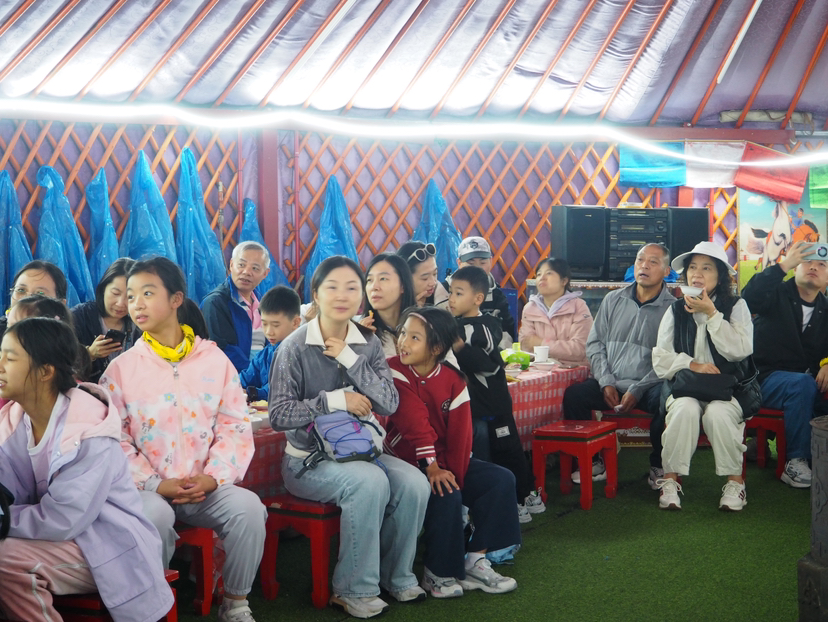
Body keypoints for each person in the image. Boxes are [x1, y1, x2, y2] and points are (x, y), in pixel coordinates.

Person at [100, 257, 266, 622]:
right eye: (131, 295)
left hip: (203, 486)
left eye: (147, 293)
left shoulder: (214, 361)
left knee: (250, 509)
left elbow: (234, 425)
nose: (136, 304)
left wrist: (213, 477)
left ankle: (235, 602)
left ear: (176, 299)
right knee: (154, 515)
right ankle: (151, 607)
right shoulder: (121, 369)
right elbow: (114, 440)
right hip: (147, 490)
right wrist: (155, 484)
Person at [269, 256, 430, 619]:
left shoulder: (367, 343)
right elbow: (279, 415)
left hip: (362, 451)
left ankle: (396, 576)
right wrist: (332, 401)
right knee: (369, 482)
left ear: (361, 296)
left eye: (352, 287)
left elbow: (388, 403)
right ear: (315, 294)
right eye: (332, 287)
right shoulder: (294, 347)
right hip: (308, 462)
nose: (342, 295)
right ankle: (353, 589)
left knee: (414, 483)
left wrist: (351, 360)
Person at [0, 317, 173, 622]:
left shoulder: (88, 429)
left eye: (10, 358)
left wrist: (4, 520)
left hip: (107, 545)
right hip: (52, 539)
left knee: (4, 559)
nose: (0, 365)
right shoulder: (14, 420)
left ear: (45, 371)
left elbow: (63, 519)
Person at [385, 306, 521, 598]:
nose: (403, 342)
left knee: (500, 480)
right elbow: (414, 420)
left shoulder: (454, 379)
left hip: (443, 461)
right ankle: (437, 572)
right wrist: (433, 467)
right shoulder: (393, 369)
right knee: (447, 492)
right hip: (405, 462)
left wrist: (454, 473)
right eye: (403, 333)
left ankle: (474, 559)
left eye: (414, 338)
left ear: (436, 348)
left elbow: (462, 435)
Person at [562, 243, 675, 486]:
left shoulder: (673, 309)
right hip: (611, 383)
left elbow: (670, 359)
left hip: (648, 386)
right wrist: (606, 382)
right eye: (640, 260)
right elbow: (595, 344)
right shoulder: (613, 299)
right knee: (574, 396)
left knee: (667, 400)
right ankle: (592, 460)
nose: (644, 266)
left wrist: (638, 389)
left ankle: (659, 465)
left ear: (667, 271)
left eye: (653, 262)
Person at [652, 242, 754, 511]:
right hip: (685, 387)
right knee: (684, 409)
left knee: (718, 414)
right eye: (692, 268)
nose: (697, 274)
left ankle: (735, 482)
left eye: (706, 268)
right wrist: (692, 364)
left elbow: (740, 350)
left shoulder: (736, 306)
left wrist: (712, 314)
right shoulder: (675, 310)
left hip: (728, 388)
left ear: (719, 277)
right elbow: (660, 359)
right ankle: (670, 480)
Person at [448, 266, 543, 523]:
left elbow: (490, 364)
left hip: (494, 405)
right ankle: (502, 499)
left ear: (478, 298)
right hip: (474, 406)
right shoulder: (456, 325)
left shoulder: (486, 325)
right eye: (451, 292)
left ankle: (523, 497)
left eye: (459, 293)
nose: (452, 299)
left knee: (508, 450)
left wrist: (460, 347)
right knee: (486, 453)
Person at [742, 240, 828, 488]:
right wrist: (783, 265)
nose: (814, 267)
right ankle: (795, 460)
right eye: (807, 261)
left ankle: (817, 456)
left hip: (806, 381)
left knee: (805, 385)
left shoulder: (825, 308)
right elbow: (748, 298)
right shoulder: (775, 293)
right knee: (801, 384)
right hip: (763, 378)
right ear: (795, 267)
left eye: (821, 264)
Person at [201, 241, 271, 372]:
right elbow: (223, 350)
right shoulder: (216, 303)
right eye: (241, 265)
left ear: (265, 274)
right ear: (231, 265)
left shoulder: (264, 305)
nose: (247, 272)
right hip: (233, 377)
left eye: (255, 268)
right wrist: (254, 376)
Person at [440, 237, 517, 347]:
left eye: (482, 262)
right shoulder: (443, 291)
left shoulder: (497, 296)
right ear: (459, 263)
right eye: (471, 263)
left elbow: (507, 331)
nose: (477, 268)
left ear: (491, 261)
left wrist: (495, 353)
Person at [72, 258, 138, 383]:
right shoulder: (80, 316)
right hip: (86, 392)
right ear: (103, 289)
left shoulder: (139, 324)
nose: (121, 303)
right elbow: (59, 360)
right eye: (115, 293)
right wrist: (89, 353)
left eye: (130, 297)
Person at [519, 257, 593, 367]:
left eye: (549, 273)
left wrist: (541, 343)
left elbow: (580, 349)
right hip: (539, 369)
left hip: (573, 370)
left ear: (564, 281)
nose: (542, 278)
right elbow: (526, 345)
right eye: (539, 274)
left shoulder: (578, 307)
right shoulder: (530, 308)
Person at [240, 285, 301, 401]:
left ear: (295, 322)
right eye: (264, 324)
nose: (268, 332)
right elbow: (246, 378)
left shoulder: (300, 354)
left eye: (275, 325)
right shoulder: (265, 354)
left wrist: (253, 393)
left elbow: (281, 388)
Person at [360, 253, 417, 358]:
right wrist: (360, 346)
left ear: (403, 286)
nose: (374, 287)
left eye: (383, 278)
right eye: (369, 280)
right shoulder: (359, 330)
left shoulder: (425, 325)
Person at [0, 260, 68, 333]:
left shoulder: (67, 338)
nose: (26, 299)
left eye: (40, 293)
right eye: (21, 290)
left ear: (61, 304)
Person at [397, 241, 448, 307]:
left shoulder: (443, 297)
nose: (433, 283)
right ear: (405, 278)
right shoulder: (393, 304)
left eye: (435, 274)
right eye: (425, 278)